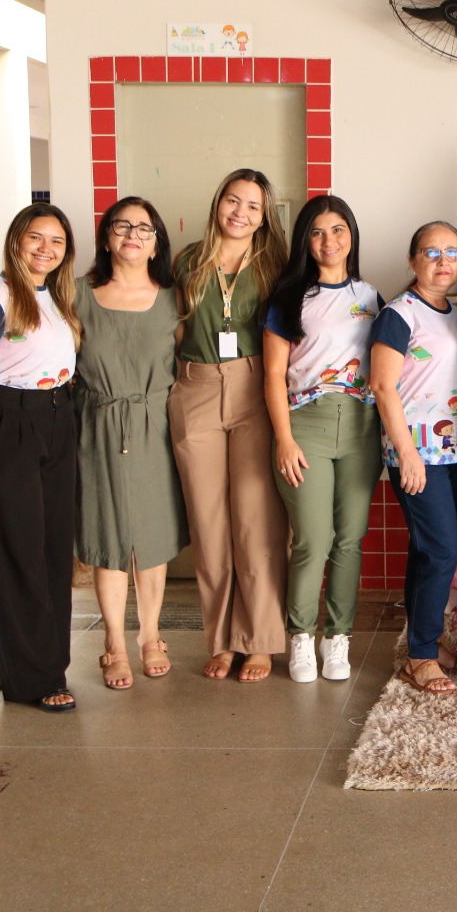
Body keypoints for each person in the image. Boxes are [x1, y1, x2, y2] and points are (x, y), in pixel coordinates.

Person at [0, 203, 81, 712]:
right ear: (15, 241)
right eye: (36, 237)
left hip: (58, 417)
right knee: (20, 551)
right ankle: (33, 680)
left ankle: (52, 665)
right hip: (10, 421)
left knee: (53, 550)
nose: (46, 249)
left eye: (56, 241)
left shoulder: (56, 297)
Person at [170, 169, 289, 683]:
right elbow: (175, 329)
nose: (240, 213)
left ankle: (258, 640)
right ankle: (221, 640)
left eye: (253, 206)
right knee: (209, 523)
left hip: (255, 389)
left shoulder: (276, 266)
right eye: (232, 201)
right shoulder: (187, 261)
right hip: (195, 387)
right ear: (218, 202)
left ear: (265, 217)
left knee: (256, 521)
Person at [263, 195, 383, 685]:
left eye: (337, 230)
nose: (328, 241)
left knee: (350, 539)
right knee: (313, 540)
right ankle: (301, 638)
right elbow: (273, 375)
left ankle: (338, 639)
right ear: (305, 241)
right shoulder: (289, 297)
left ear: (351, 236)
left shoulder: (371, 298)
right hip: (305, 424)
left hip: (360, 426)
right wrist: (283, 438)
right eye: (316, 232)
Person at [75, 198, 187, 689]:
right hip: (97, 424)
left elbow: (187, 364)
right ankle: (114, 644)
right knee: (109, 536)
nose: (133, 235)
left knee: (152, 535)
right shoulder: (76, 294)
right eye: (122, 226)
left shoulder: (174, 299)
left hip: (155, 426)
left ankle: (151, 634)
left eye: (145, 228)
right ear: (106, 237)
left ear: (157, 243)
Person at [372, 222, 457, 695]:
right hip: (418, 455)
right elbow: (382, 386)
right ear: (413, 260)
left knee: (427, 549)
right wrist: (407, 454)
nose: (443, 261)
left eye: (452, 252)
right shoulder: (399, 314)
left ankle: (424, 646)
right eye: (432, 252)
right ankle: (421, 656)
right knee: (442, 551)